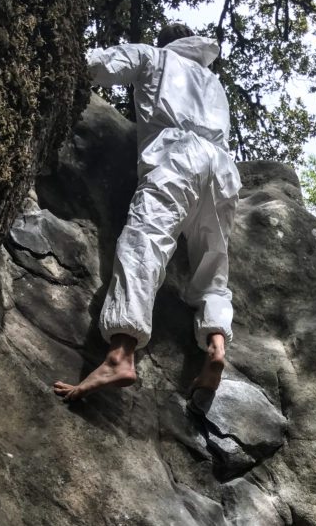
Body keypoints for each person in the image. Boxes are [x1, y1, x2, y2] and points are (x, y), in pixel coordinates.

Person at [54, 22, 240, 403]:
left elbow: (97, 65)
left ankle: (121, 355)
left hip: (176, 156)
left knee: (145, 243)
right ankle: (216, 347)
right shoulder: (213, 84)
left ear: (165, 42)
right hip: (223, 170)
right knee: (212, 268)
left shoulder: (153, 56)